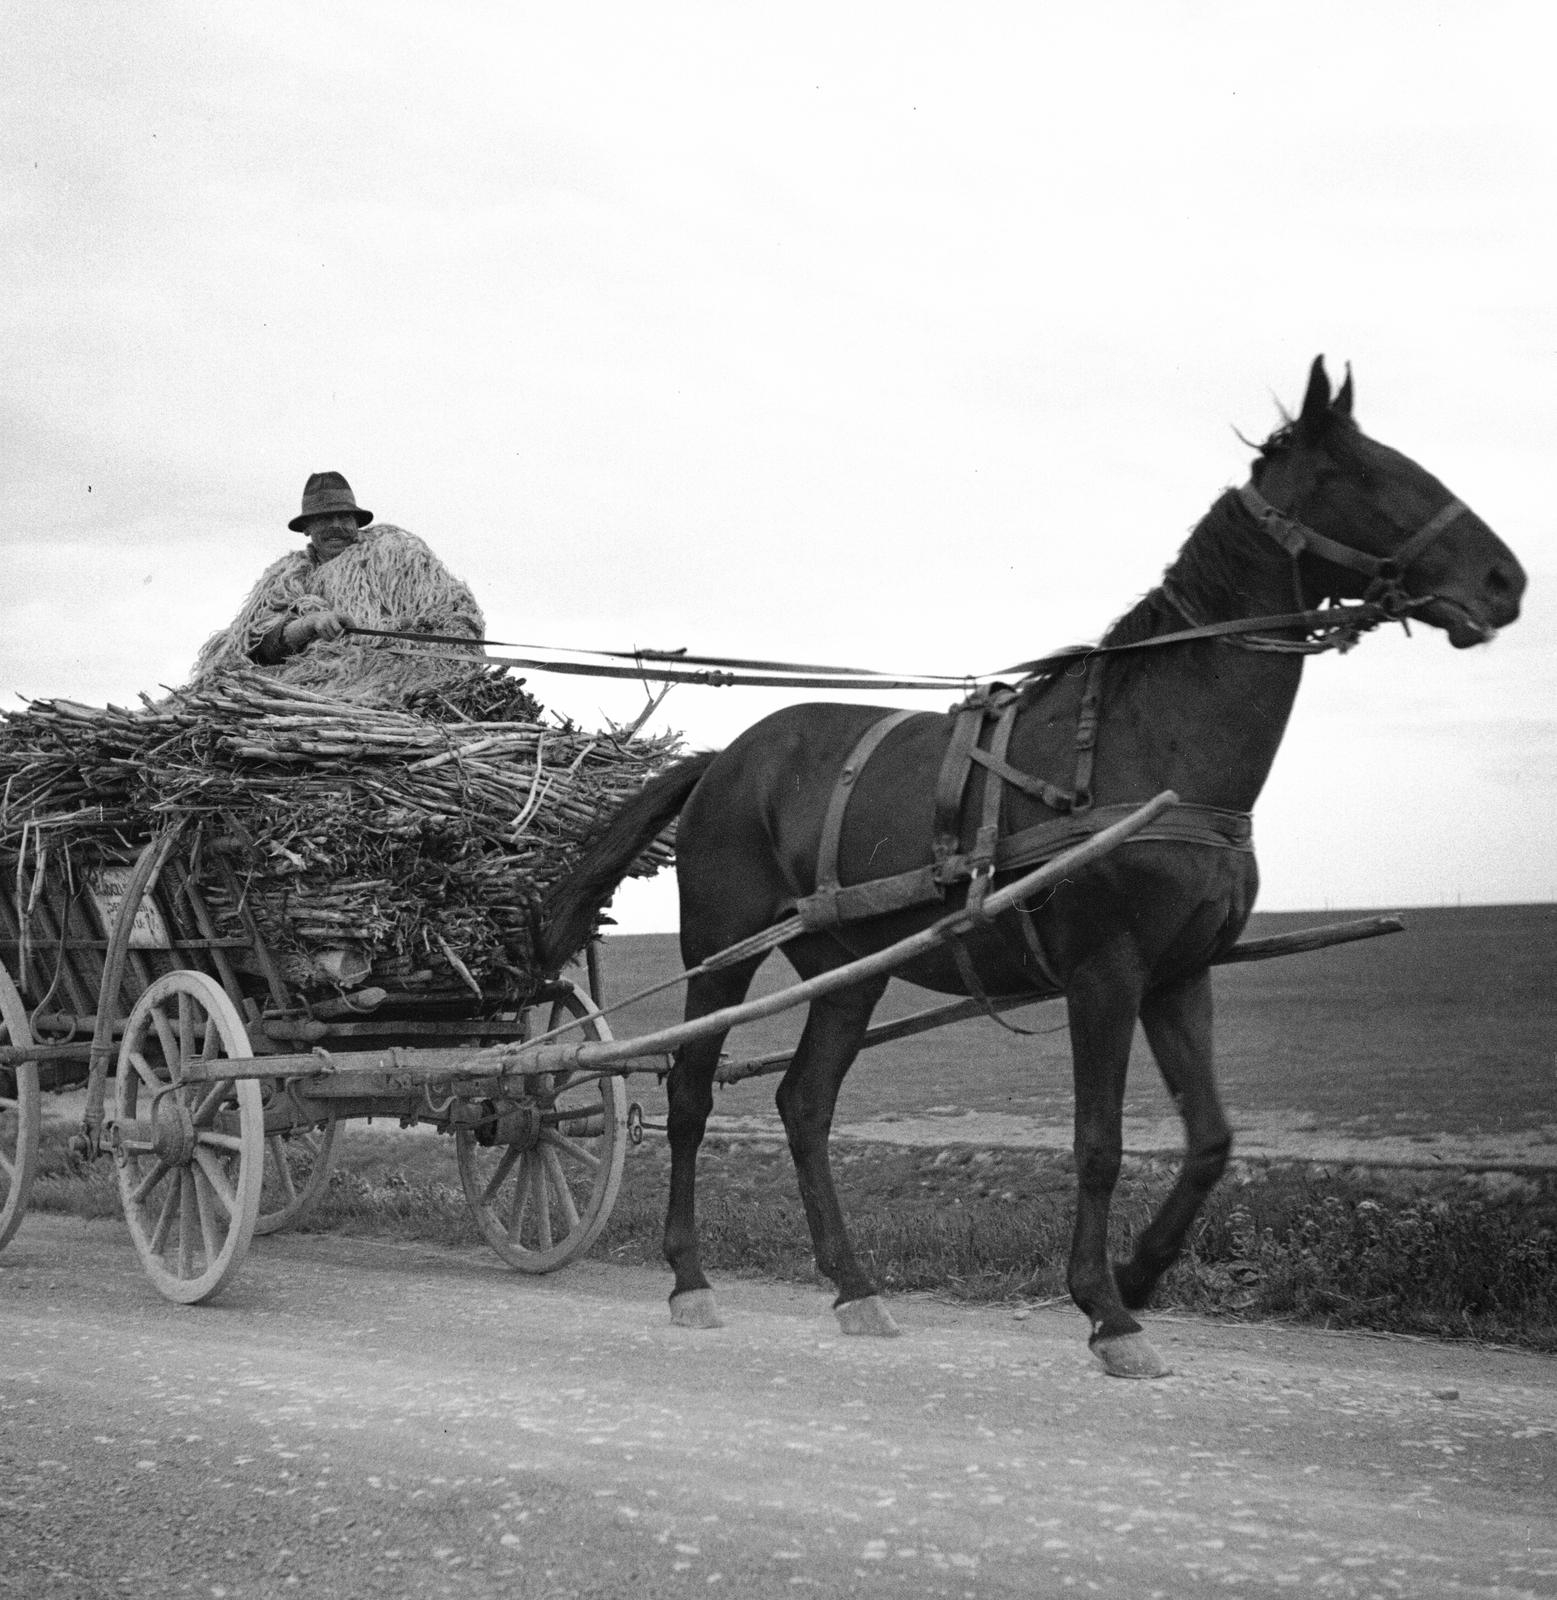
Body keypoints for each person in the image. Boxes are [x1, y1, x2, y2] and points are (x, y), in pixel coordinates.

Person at [190, 472, 485, 690]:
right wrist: (307, 624)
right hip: (309, 687)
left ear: (357, 522)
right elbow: (251, 646)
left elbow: (454, 612)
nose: (336, 526)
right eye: (324, 518)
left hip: (396, 678)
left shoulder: (395, 555)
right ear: (306, 528)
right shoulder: (285, 578)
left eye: (344, 517)